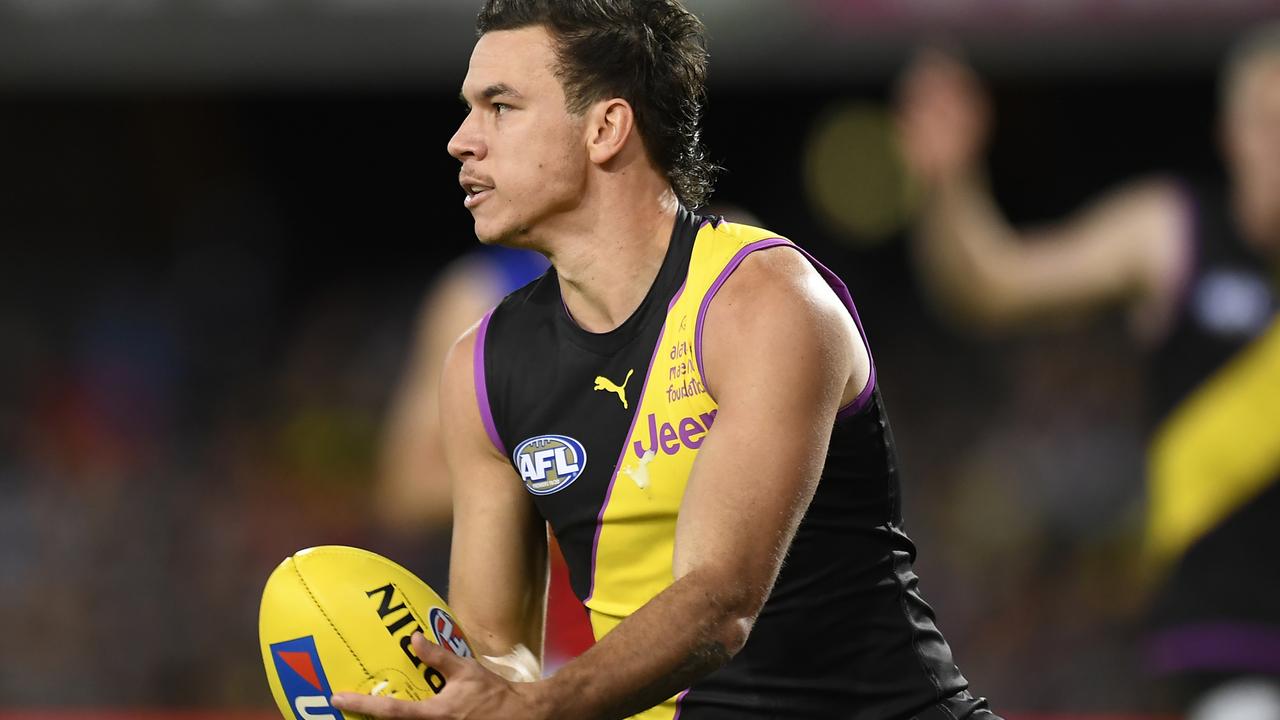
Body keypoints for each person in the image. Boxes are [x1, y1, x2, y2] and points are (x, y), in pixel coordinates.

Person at [335, 2, 997, 718]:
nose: (461, 141)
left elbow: (721, 604)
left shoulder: (765, 303)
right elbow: (497, 653)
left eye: (500, 106)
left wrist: (540, 707)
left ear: (605, 127)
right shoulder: (482, 368)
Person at [896, 27, 1280, 717]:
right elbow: (992, 283)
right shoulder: (1178, 232)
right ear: (1233, 134)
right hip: (1231, 647)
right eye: (1270, 123)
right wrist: (946, 181)